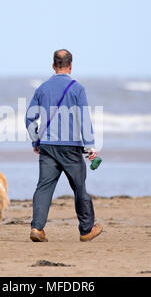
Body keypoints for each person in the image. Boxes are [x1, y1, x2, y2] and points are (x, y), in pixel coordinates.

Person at [25, 49, 103, 242]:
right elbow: (84, 118)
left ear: (53, 66)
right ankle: (86, 230)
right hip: (71, 147)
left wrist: (36, 140)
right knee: (79, 187)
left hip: (48, 146)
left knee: (44, 187)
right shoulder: (77, 88)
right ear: (70, 66)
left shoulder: (42, 88)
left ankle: (37, 228)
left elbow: (29, 118)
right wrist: (90, 145)